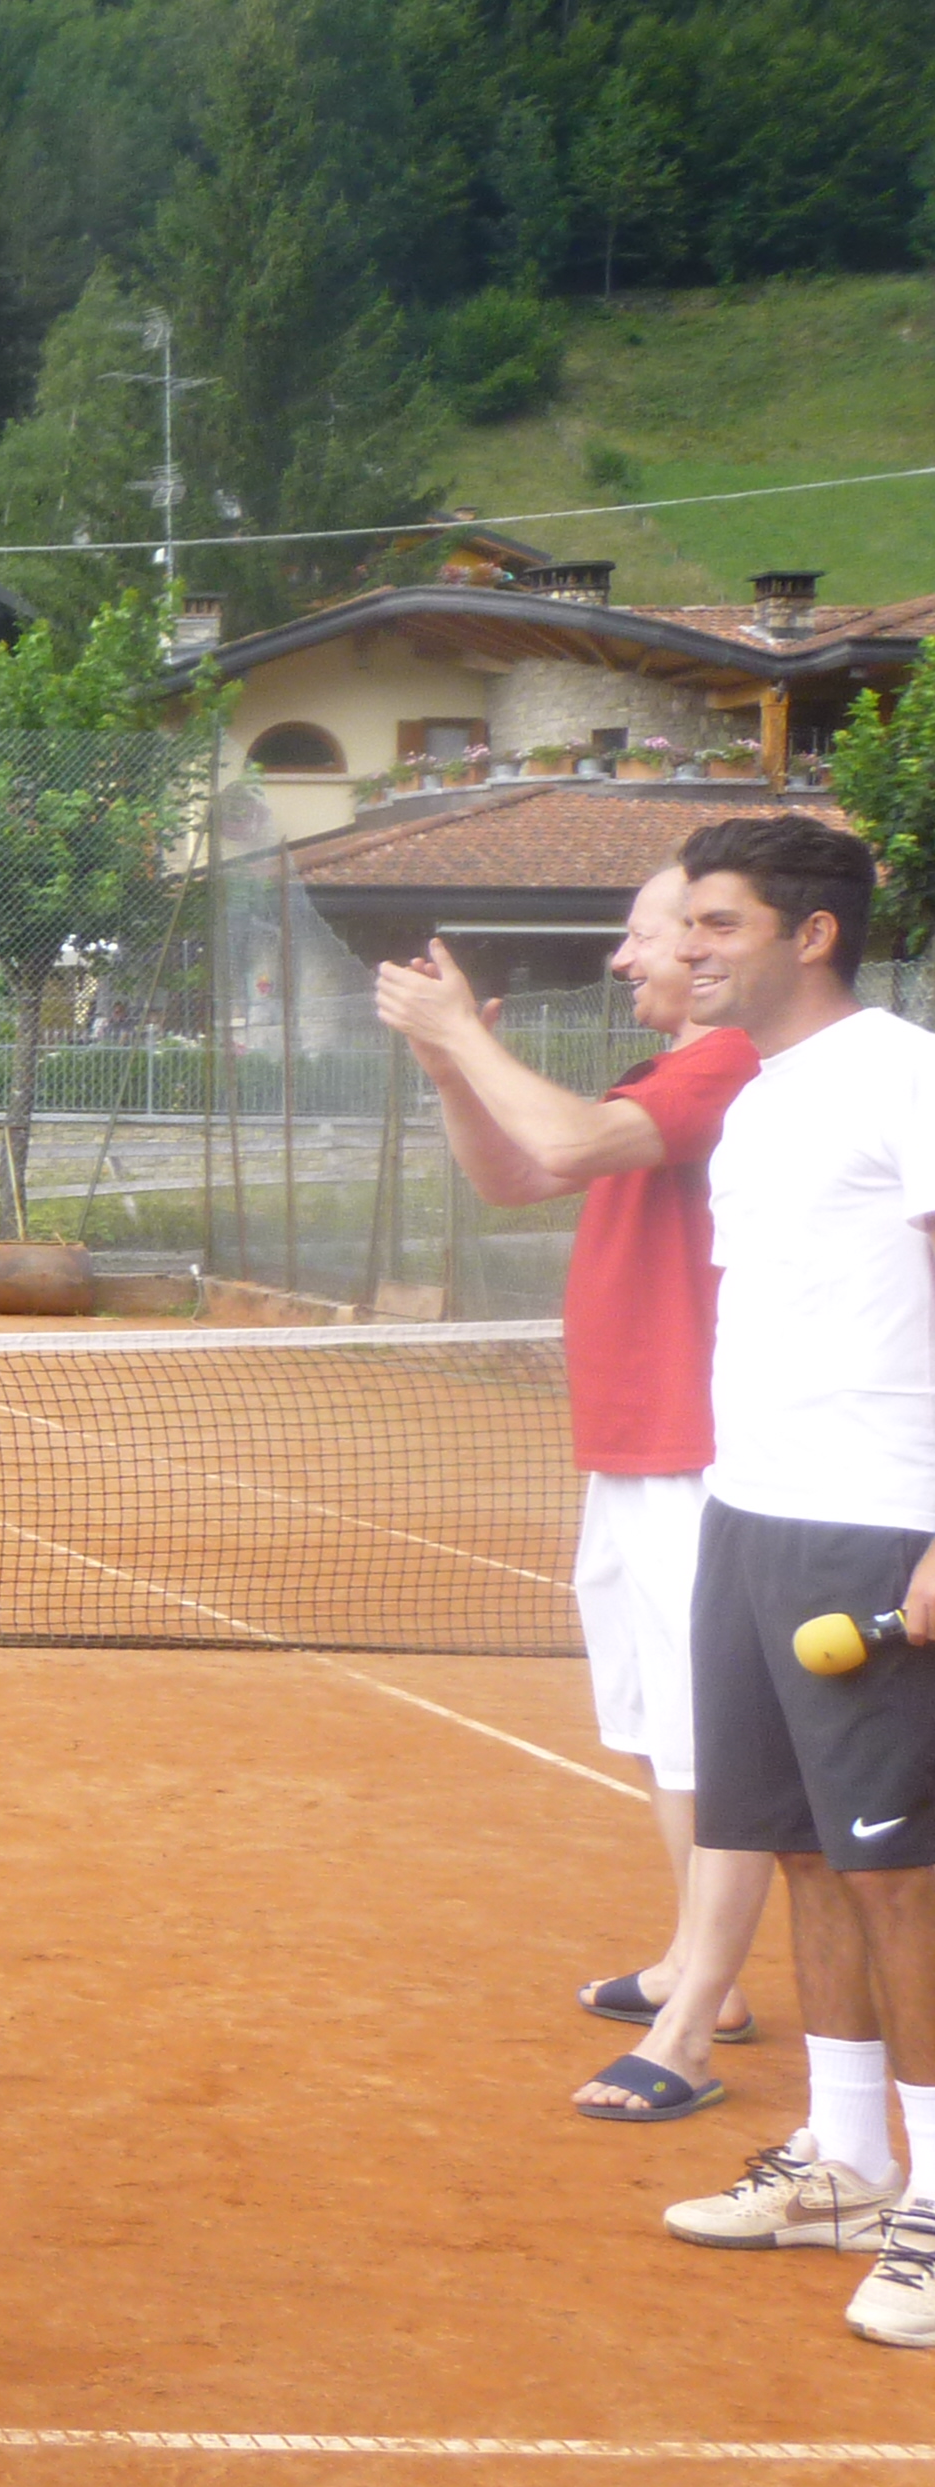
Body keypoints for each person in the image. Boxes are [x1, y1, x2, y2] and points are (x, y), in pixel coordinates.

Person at [373, 876, 769, 2118]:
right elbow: (514, 1174)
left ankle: (696, 2019)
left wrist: (463, 1031)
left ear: (707, 945)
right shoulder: (664, 1079)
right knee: (658, 1727)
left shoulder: (727, 1062)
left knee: (710, 1736)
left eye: (640, 935)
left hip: (702, 1454)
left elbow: (568, 1145)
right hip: (633, 1451)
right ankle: (697, 1964)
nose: (622, 960)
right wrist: (452, 1070)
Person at [647, 817, 935, 2338]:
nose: (688, 948)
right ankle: (848, 2161)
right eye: (686, 924)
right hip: (751, 1515)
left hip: (877, 1521)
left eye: (717, 923)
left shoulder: (904, 1073)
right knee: (808, 1853)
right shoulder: (758, 1101)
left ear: (810, 934)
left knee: (901, 1874)